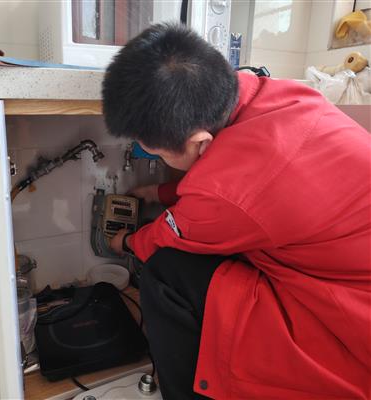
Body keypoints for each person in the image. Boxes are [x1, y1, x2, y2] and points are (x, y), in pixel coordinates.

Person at [102, 23, 371, 400]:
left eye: (157, 153)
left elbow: (167, 236)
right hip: (346, 278)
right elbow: (245, 181)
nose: (155, 157)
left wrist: (127, 242)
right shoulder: (274, 93)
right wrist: (158, 192)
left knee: (166, 272)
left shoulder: (224, 193)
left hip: (348, 334)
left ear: (199, 142)